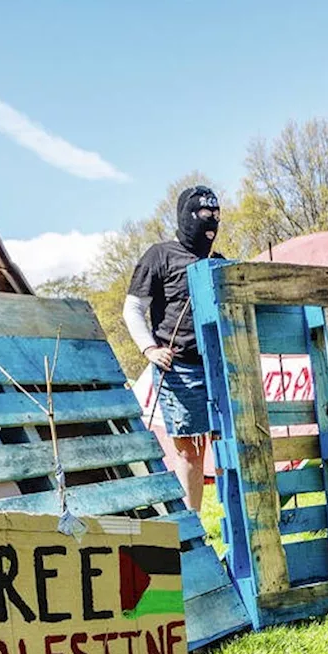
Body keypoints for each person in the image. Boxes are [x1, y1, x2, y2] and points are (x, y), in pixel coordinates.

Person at [124, 185, 222, 511]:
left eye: (216, 215)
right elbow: (133, 308)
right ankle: (192, 528)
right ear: (186, 215)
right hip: (181, 368)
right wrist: (149, 349)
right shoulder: (160, 255)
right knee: (191, 451)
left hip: (221, 365)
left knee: (228, 445)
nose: (211, 221)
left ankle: (235, 521)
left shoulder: (220, 263)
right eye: (203, 214)